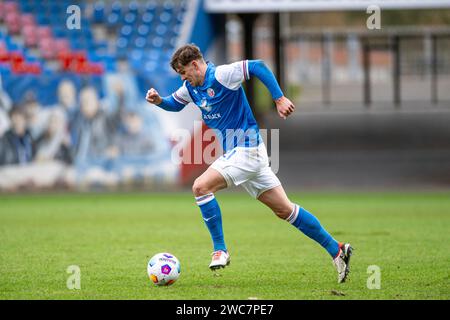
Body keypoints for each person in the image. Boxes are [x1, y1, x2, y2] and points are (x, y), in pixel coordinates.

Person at [145, 44, 353, 283]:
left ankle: (220, 249)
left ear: (194, 64)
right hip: (243, 154)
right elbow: (174, 102)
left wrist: (279, 98)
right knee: (285, 210)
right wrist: (159, 100)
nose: (183, 78)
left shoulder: (222, 75)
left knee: (200, 187)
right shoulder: (191, 89)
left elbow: (258, 66)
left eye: (183, 72)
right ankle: (337, 250)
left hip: (247, 149)